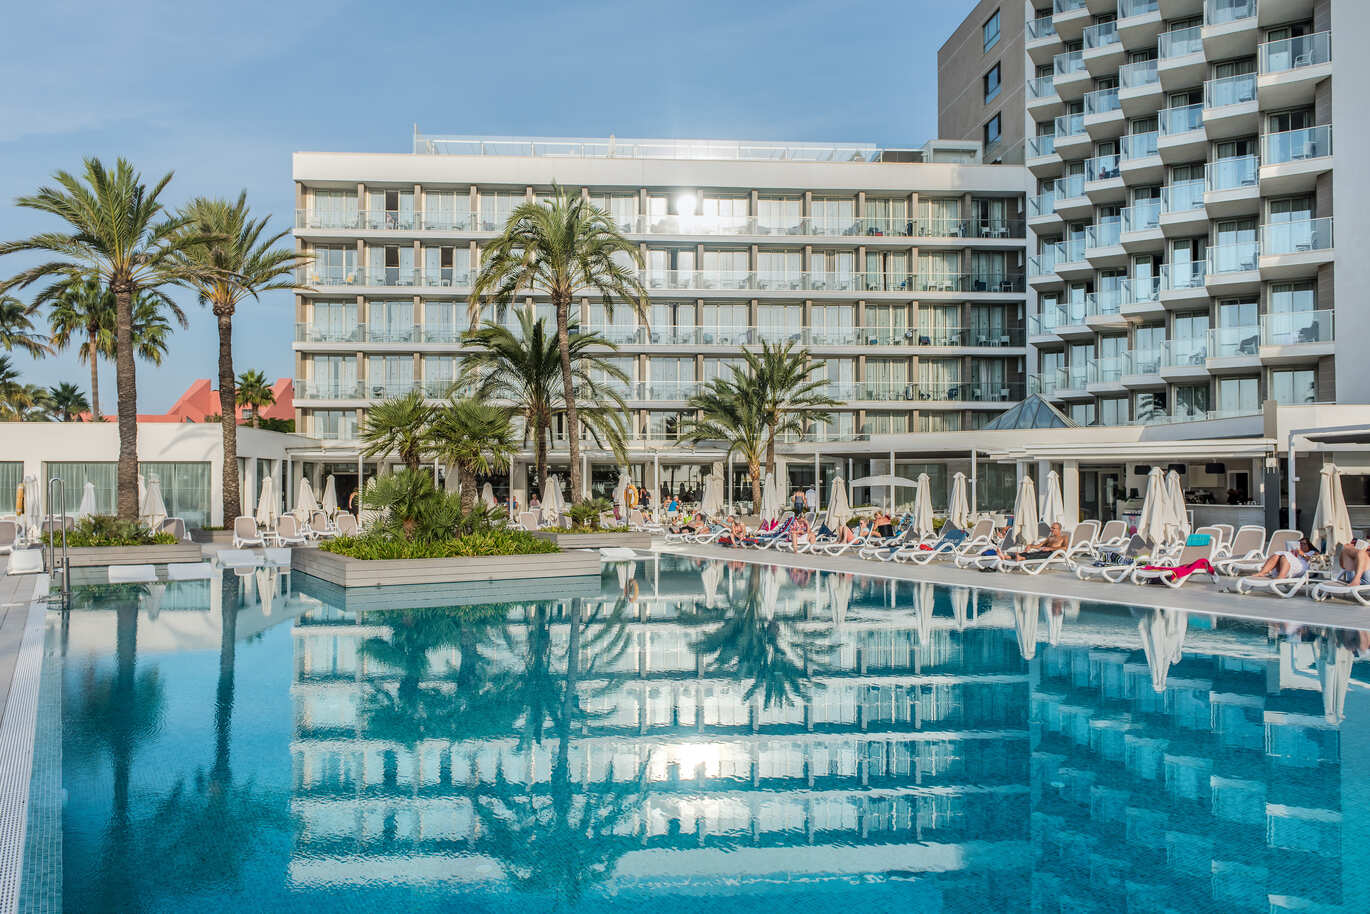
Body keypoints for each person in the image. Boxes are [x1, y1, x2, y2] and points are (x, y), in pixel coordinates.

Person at [1250, 536, 1315, 580]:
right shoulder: (1297, 551)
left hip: (1301, 567)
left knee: (1284, 556)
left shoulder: (1313, 552)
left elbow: (1314, 561)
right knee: (1277, 555)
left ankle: (1281, 577)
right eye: (1300, 544)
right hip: (1290, 564)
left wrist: (1302, 554)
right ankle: (1262, 572)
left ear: (1309, 545)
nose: (1302, 545)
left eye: (1304, 544)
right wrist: (1293, 553)